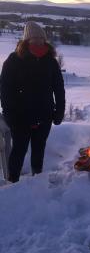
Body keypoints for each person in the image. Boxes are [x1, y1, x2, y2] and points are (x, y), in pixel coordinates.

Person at [0, 21, 65, 182]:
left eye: (40, 38)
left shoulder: (51, 61)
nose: (37, 41)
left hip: (44, 116)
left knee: (38, 150)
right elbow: (5, 91)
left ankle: (37, 181)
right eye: (33, 38)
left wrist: (59, 112)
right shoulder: (14, 60)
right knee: (19, 151)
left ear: (45, 39)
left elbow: (59, 88)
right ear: (26, 40)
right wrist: (10, 116)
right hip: (20, 118)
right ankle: (12, 181)